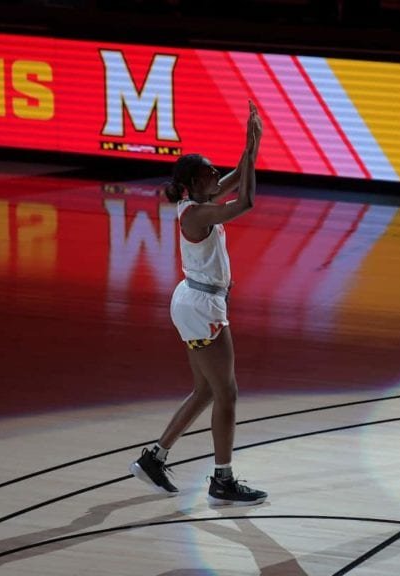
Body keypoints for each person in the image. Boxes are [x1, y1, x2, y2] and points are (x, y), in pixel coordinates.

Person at [129, 101, 267, 506]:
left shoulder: (197, 202)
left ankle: (154, 458)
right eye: (209, 169)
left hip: (195, 302)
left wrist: (252, 140)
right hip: (202, 308)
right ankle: (222, 481)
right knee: (227, 394)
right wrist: (249, 146)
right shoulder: (198, 213)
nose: (215, 172)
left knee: (207, 389)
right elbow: (246, 201)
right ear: (193, 180)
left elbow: (241, 176)